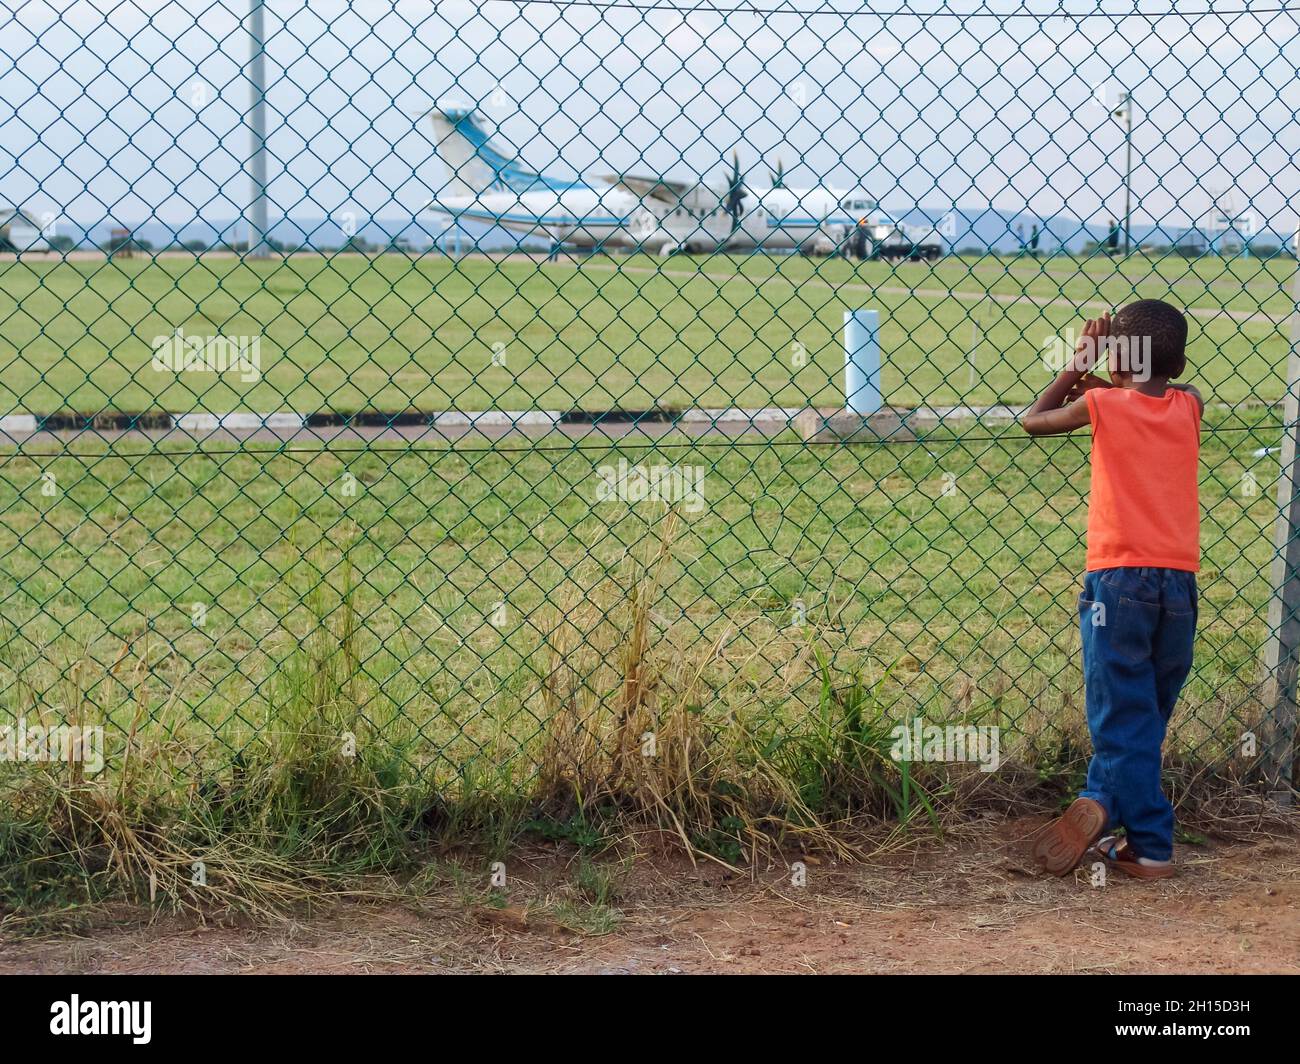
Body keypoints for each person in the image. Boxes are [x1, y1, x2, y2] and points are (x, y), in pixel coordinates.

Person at [1021, 301, 1202, 880]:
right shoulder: (1191, 405)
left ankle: (1149, 844)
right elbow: (1152, 391)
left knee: (1119, 715)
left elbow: (1033, 419)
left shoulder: (1100, 406)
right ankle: (1103, 805)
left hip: (1118, 582)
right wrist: (1119, 373)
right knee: (1143, 713)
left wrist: (1079, 364)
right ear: (1177, 362)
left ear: (1116, 360)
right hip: (1180, 586)